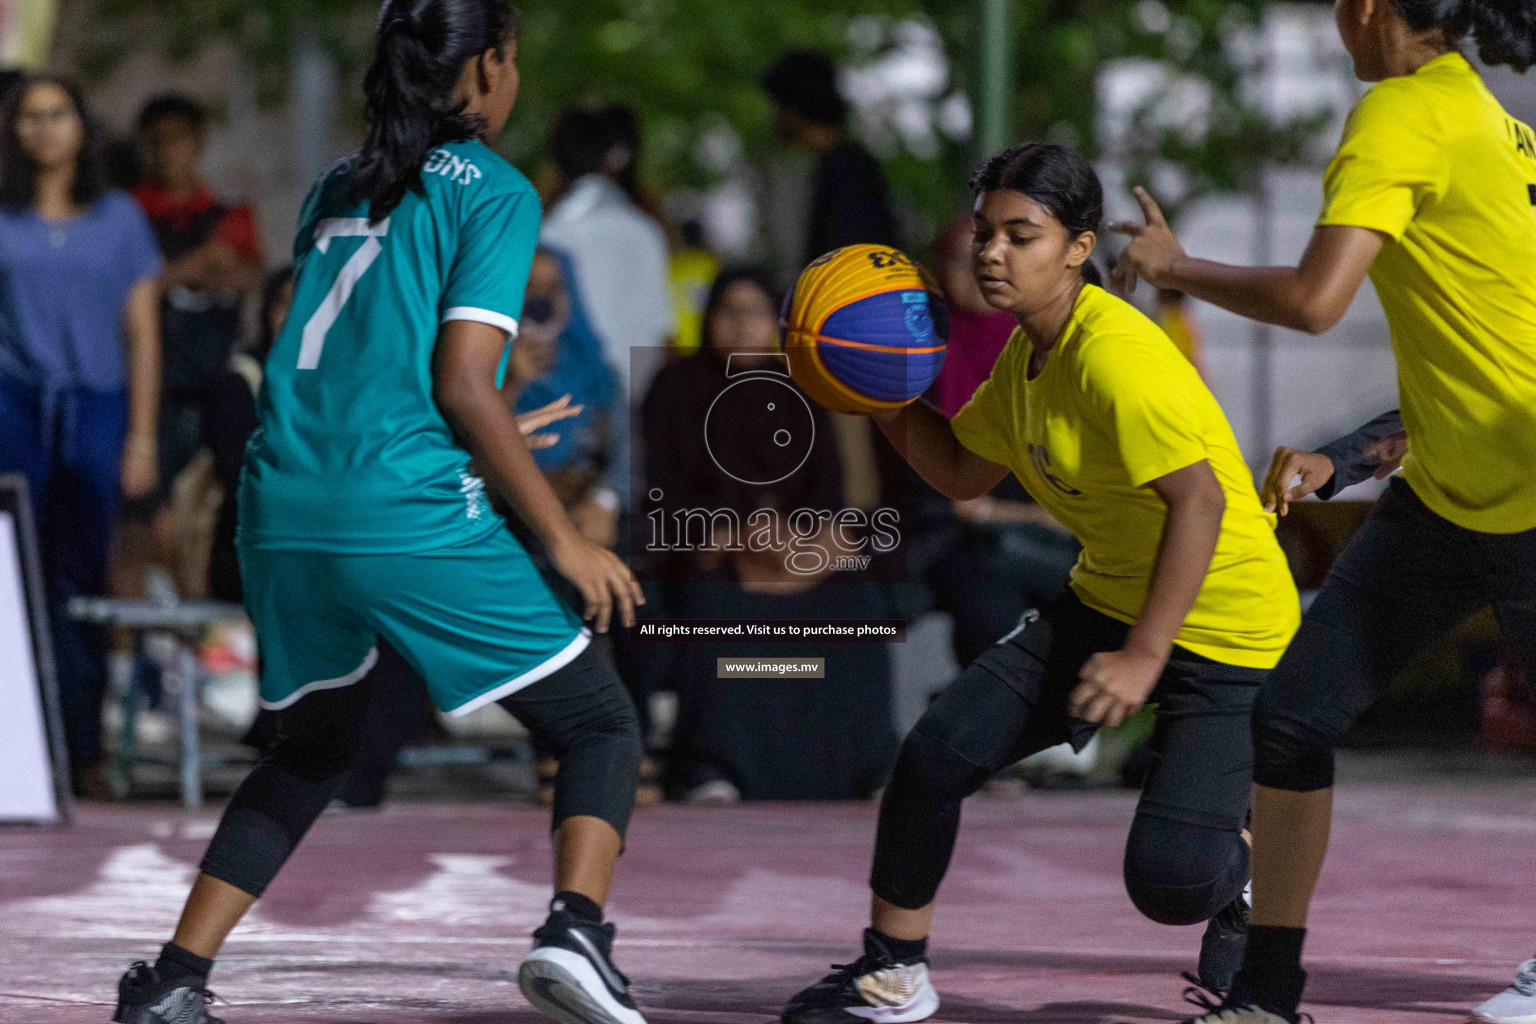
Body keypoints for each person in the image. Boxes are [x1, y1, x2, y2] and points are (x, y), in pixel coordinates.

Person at [106, 5, 651, 1024]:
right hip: (395, 505)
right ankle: (577, 930)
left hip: (281, 503)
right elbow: (465, 385)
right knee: (599, 719)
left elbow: (361, 365)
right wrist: (565, 537)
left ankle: (172, 979)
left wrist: (468, 452)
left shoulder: (336, 184)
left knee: (312, 743)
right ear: (489, 67)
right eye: (515, 58)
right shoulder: (494, 191)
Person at [779, 142, 1301, 1023]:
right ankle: (894, 973)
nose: (991, 253)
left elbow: (1202, 504)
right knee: (937, 750)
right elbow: (958, 471)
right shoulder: (1023, 361)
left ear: (1076, 246)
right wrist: (874, 386)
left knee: (1170, 885)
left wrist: (1142, 657)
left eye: (1021, 235)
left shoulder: (1113, 354)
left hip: (1231, 626)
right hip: (1109, 599)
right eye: (985, 233)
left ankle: (1241, 860)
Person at [1109, 0, 1536, 1019]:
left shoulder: (1404, 112)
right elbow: (1474, 354)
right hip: (1443, 503)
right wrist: (1348, 458)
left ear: (1373, 8)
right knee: (1291, 718)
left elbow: (1313, 300)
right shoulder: (1486, 121)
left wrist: (1174, 269)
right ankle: (1267, 985)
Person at [0, 75, 163, 796]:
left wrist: (142, 437)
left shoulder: (121, 217)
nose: (44, 129)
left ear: (82, 126)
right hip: (12, 406)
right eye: (29, 118)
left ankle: (83, 747)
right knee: (12, 578)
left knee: (83, 579)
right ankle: (18, 754)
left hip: (97, 408)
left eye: (57, 114)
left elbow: (144, 334)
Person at [125, 93, 264, 603]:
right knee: (148, 508)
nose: (168, 154)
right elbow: (138, 288)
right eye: (156, 143)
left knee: (233, 484)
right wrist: (198, 266)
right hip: (152, 379)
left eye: (177, 140)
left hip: (214, 375)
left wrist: (198, 274)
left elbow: (250, 275)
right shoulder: (128, 212)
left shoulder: (227, 213)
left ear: (199, 144)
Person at [541, 104, 674, 406]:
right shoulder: (645, 229)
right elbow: (663, 331)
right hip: (636, 396)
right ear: (617, 159)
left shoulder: (550, 231)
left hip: (565, 398)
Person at [763, 49, 901, 264]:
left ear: (793, 109)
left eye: (776, 106)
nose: (772, 118)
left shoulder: (847, 171)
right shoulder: (842, 166)